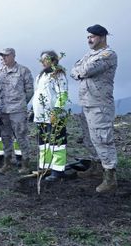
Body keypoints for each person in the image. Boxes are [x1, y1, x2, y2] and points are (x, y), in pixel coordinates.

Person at [70, 24, 118, 193]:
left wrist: (80, 71)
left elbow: (88, 69)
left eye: (92, 36)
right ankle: (97, 167)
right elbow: (73, 70)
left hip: (100, 105)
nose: (89, 39)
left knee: (103, 139)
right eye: (88, 37)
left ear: (102, 37)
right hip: (86, 103)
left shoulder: (108, 54)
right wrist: (80, 71)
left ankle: (110, 177)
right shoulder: (89, 54)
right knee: (89, 138)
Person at [0, 48, 34, 174]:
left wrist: (21, 104)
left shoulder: (23, 71)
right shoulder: (0, 72)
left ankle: (25, 163)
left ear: (12, 55)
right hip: (4, 110)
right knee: (5, 137)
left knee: (21, 137)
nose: (4, 58)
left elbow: (29, 91)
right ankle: (7, 162)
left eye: (6, 56)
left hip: (18, 110)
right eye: (2, 56)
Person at [32, 51, 68, 181]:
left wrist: (56, 111)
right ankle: (45, 167)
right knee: (44, 142)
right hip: (41, 115)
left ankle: (58, 171)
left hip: (54, 115)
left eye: (45, 59)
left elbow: (62, 94)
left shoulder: (58, 74)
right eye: (41, 59)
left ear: (53, 60)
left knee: (57, 142)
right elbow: (38, 94)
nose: (42, 62)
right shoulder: (40, 76)